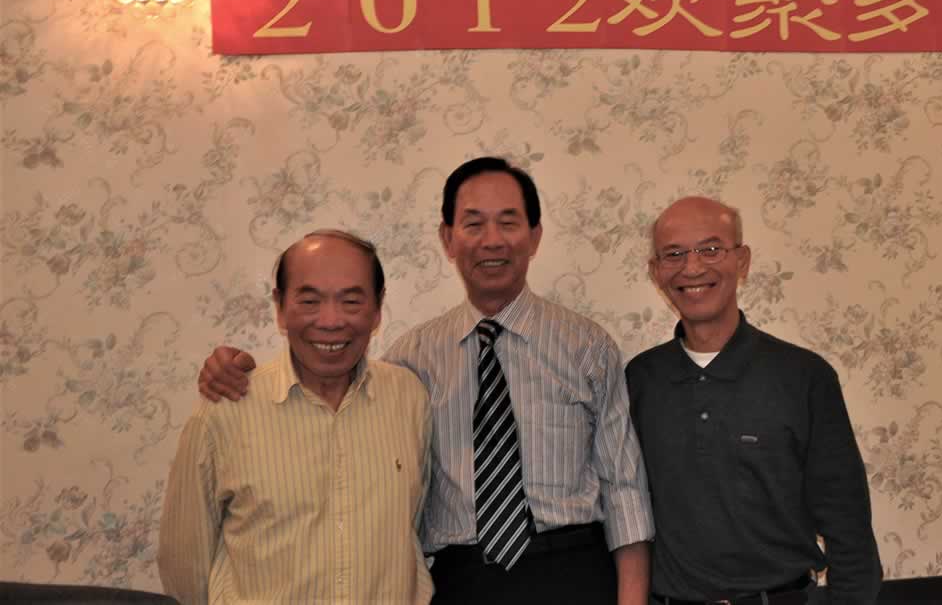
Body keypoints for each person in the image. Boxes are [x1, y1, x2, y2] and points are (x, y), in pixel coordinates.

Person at [197, 157, 654, 605]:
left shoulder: (587, 346)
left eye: (508, 222)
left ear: (534, 236)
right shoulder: (412, 359)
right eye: (473, 224)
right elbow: (330, 385)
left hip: (572, 571)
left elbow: (624, 490)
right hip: (459, 579)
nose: (491, 240)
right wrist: (239, 368)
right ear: (447, 239)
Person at [626, 196, 882, 605]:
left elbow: (848, 529)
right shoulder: (639, 380)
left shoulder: (804, 377)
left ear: (742, 261)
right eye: (674, 254)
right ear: (656, 271)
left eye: (711, 249)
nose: (692, 267)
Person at [158, 230, 433, 604]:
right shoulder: (226, 408)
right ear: (280, 306)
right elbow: (185, 567)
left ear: (377, 308)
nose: (331, 320)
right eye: (309, 301)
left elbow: (414, 527)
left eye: (351, 301)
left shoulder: (409, 398)